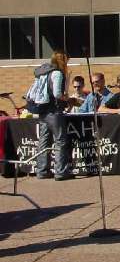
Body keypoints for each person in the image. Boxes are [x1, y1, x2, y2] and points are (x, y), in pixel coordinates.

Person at [33, 50, 73, 180]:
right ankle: (61, 171)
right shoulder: (57, 73)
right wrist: (66, 98)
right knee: (60, 141)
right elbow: (57, 93)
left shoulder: (43, 72)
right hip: (54, 111)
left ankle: (42, 170)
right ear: (62, 60)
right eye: (66, 60)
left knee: (44, 141)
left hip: (42, 110)